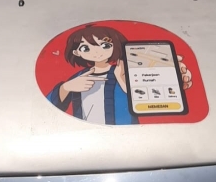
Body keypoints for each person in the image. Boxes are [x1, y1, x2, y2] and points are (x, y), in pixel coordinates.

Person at [47, 24, 192, 126]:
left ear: (115, 46)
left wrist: (167, 76)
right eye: (86, 48)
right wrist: (66, 87)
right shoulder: (79, 77)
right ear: (76, 52)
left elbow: (149, 100)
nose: (96, 51)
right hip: (86, 138)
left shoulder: (122, 72)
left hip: (125, 139)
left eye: (105, 45)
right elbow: (47, 109)